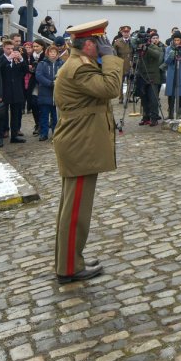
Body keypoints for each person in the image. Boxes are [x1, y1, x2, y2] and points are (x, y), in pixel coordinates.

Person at [52, 19, 122, 284]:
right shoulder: (79, 68)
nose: (104, 46)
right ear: (89, 44)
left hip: (79, 141)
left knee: (72, 206)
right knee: (75, 211)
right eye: (100, 42)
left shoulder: (81, 64)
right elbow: (110, 89)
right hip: (80, 144)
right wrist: (112, 59)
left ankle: (69, 260)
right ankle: (69, 268)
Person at [0, 41, 29, 143]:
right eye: (8, 48)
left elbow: (25, 71)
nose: (10, 50)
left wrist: (21, 59)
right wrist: (8, 59)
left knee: (16, 114)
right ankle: (3, 133)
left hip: (16, 90)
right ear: (3, 48)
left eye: (12, 48)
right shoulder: (0, 59)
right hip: (4, 90)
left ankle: (14, 135)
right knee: (2, 114)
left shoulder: (17, 60)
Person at [136, 31, 165, 126]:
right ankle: (145, 117)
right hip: (142, 77)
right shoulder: (139, 49)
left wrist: (146, 48)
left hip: (153, 77)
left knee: (153, 99)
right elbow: (137, 61)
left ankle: (154, 117)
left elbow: (158, 55)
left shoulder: (154, 47)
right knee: (144, 99)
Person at [35, 44, 63, 141]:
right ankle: (44, 133)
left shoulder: (61, 63)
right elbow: (39, 75)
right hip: (45, 92)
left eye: (54, 52)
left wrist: (58, 82)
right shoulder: (42, 63)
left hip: (57, 93)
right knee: (44, 115)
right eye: (51, 52)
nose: (53, 54)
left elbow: (64, 75)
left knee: (56, 116)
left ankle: (56, 133)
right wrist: (50, 83)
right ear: (47, 53)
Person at [163, 33, 181, 120]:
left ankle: (180, 112)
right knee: (171, 94)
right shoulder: (168, 48)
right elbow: (166, 61)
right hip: (172, 73)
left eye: (178, 40)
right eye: (175, 40)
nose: (176, 42)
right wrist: (171, 56)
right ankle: (170, 113)